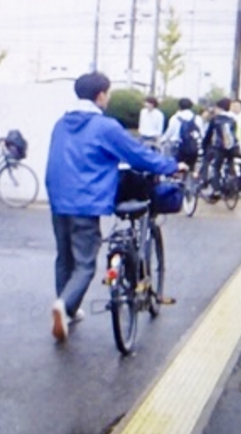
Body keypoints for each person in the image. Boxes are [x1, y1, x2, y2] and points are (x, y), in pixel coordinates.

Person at [45, 72, 183, 343]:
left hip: (58, 199)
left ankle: (68, 309)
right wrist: (171, 165)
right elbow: (138, 155)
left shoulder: (61, 123)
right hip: (86, 202)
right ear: (100, 96)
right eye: (107, 93)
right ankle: (63, 305)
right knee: (85, 263)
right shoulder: (104, 126)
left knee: (64, 258)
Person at [201, 97, 239, 199]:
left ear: (219, 108)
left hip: (220, 147)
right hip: (233, 148)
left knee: (216, 168)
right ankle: (232, 185)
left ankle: (216, 191)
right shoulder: (232, 120)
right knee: (230, 164)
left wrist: (204, 146)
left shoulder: (215, 120)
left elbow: (209, 135)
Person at [159, 97, 204, 171]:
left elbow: (169, 132)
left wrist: (162, 140)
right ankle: (188, 181)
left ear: (179, 106)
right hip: (192, 148)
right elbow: (201, 134)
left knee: (176, 168)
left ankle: (175, 181)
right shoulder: (197, 118)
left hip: (177, 146)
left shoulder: (175, 117)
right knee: (189, 169)